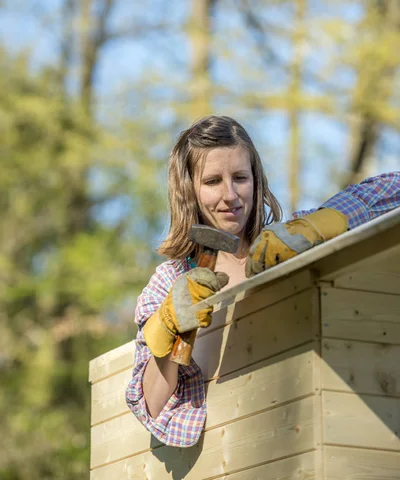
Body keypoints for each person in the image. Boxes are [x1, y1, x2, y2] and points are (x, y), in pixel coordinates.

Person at [126, 115, 400, 448]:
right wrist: (168, 324)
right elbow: (153, 406)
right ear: (189, 192)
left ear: (256, 181)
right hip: (240, 450)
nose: (230, 195)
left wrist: (327, 222)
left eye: (240, 177)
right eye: (213, 181)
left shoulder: (289, 241)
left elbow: (393, 188)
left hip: (321, 428)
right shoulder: (170, 280)